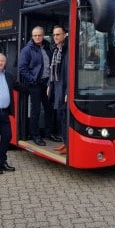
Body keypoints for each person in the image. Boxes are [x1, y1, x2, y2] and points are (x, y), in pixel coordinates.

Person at [19, 26, 60, 146]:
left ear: (43, 36)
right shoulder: (27, 50)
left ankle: (49, 133)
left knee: (49, 109)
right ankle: (35, 135)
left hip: (47, 84)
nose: (37, 37)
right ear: (32, 36)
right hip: (35, 85)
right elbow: (22, 68)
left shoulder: (47, 47)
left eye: (39, 35)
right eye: (35, 35)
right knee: (35, 111)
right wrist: (32, 80)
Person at [48, 26, 69, 154]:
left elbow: (69, 74)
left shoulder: (68, 51)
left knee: (65, 117)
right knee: (61, 117)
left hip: (64, 90)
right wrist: (49, 85)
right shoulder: (56, 50)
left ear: (64, 35)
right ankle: (65, 142)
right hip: (57, 88)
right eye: (54, 35)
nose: (55, 37)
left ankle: (68, 144)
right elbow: (52, 70)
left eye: (58, 34)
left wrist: (67, 91)